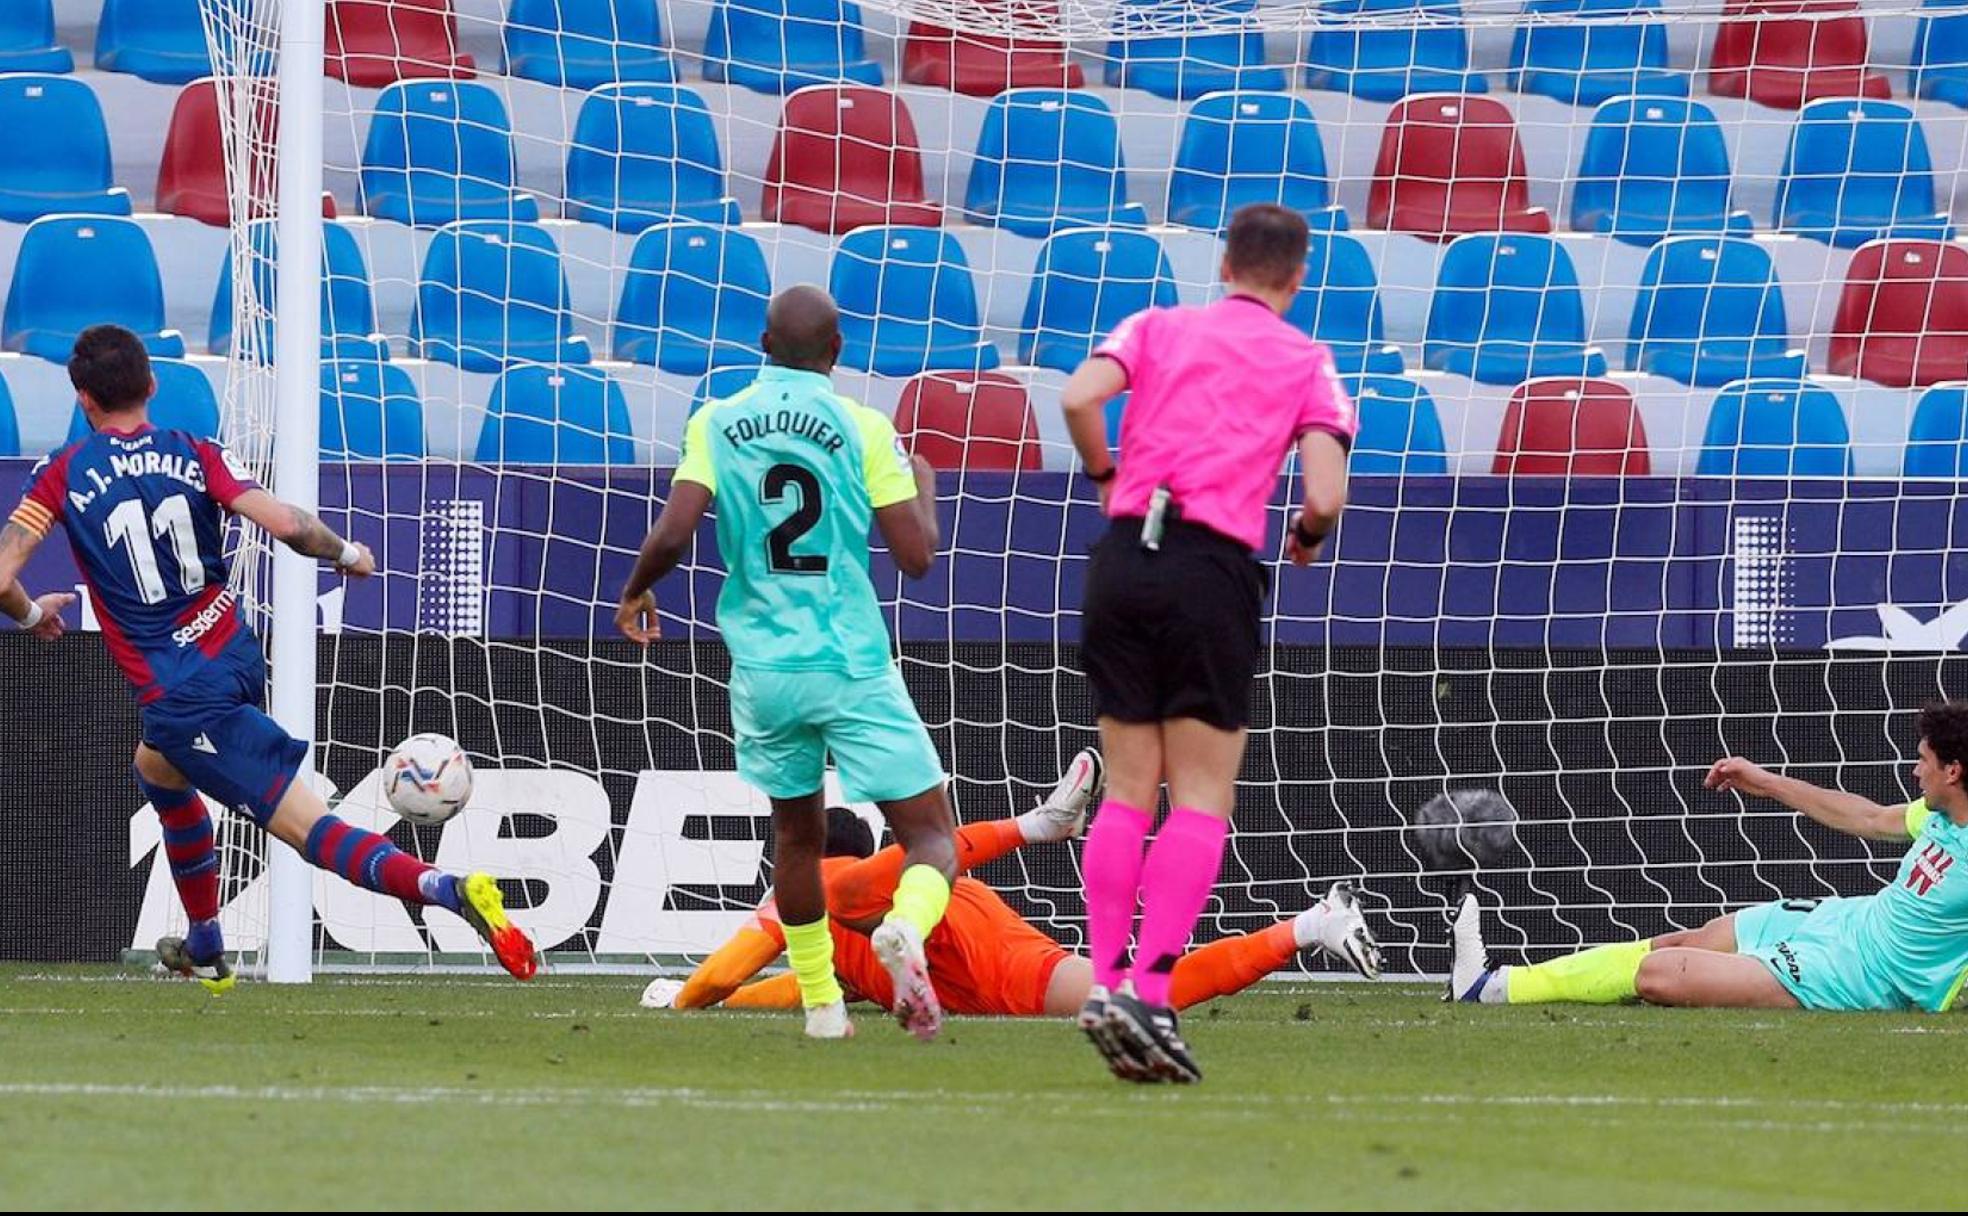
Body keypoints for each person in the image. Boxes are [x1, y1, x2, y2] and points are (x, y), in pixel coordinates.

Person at [0, 325, 536, 990]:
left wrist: (29, 613)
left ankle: (450, 889)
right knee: (157, 768)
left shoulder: (60, 476)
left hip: (183, 692)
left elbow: (2, 575)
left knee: (309, 830)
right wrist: (348, 555)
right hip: (234, 654)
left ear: (83, 399)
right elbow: (286, 525)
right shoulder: (198, 453)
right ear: (152, 385)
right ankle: (205, 939)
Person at [1058, 203, 1358, 1082]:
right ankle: (1151, 990)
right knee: (1198, 794)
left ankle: (1104, 977)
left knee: (1125, 786)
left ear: (1223, 264)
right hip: (1210, 572)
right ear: (1296, 279)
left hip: (1122, 559)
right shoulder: (1308, 360)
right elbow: (1326, 496)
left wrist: (1108, 473)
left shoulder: (1155, 325)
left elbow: (1079, 397)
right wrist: (1305, 534)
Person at [615, 285, 959, 1041]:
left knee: (796, 838)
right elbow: (917, 558)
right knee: (934, 835)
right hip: (849, 659)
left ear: (762, 346)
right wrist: (925, 490)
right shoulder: (864, 426)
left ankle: (823, 1009)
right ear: (837, 353)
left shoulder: (717, 420)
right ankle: (902, 925)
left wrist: (638, 589)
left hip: (765, 668)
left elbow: (675, 531)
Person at [649, 757, 1382, 1068]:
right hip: (963, 921)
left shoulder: (806, 892)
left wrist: (682, 1000)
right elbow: (790, 987)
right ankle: (1310, 924)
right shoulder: (834, 937)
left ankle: (1039, 825)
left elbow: (720, 975)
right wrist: (728, 995)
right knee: (1143, 996)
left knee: (1141, 1000)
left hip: (979, 954)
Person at [1449, 702, 1968, 1013]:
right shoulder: (1938, 815)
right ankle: (1490, 985)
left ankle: (1492, 989)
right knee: (1690, 940)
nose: (1914, 770)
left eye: (1923, 761)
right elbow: (1870, 819)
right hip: (1849, 920)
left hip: (1855, 976)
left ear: (1953, 772)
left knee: (1657, 974)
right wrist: (1764, 781)